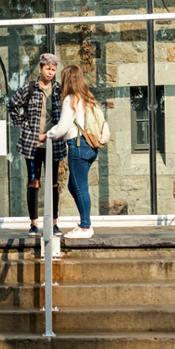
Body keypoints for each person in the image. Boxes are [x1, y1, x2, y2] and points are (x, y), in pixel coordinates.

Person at [44, 65, 108, 239]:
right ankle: (84, 224)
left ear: (67, 80)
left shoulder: (71, 99)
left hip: (77, 146)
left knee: (80, 188)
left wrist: (47, 135)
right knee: (74, 186)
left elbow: (62, 128)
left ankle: (86, 227)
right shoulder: (88, 98)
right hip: (90, 147)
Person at [7, 53, 65, 236]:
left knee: (54, 184)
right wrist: (26, 126)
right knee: (34, 182)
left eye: (53, 69)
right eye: (47, 68)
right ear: (40, 69)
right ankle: (33, 224)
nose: (50, 72)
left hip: (53, 144)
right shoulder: (29, 88)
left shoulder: (59, 90)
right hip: (32, 145)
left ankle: (54, 224)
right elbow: (11, 105)